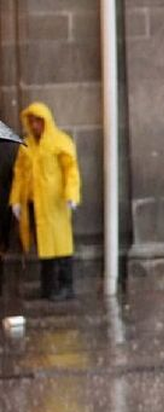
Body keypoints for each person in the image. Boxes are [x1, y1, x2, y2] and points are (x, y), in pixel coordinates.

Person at [8, 102, 81, 301]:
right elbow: (20, 175)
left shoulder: (60, 142)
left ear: (46, 121)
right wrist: (16, 200)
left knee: (61, 245)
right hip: (35, 204)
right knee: (45, 247)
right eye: (31, 122)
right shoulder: (26, 146)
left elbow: (71, 170)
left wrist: (71, 194)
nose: (35, 126)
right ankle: (49, 287)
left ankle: (66, 285)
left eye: (38, 121)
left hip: (56, 203)